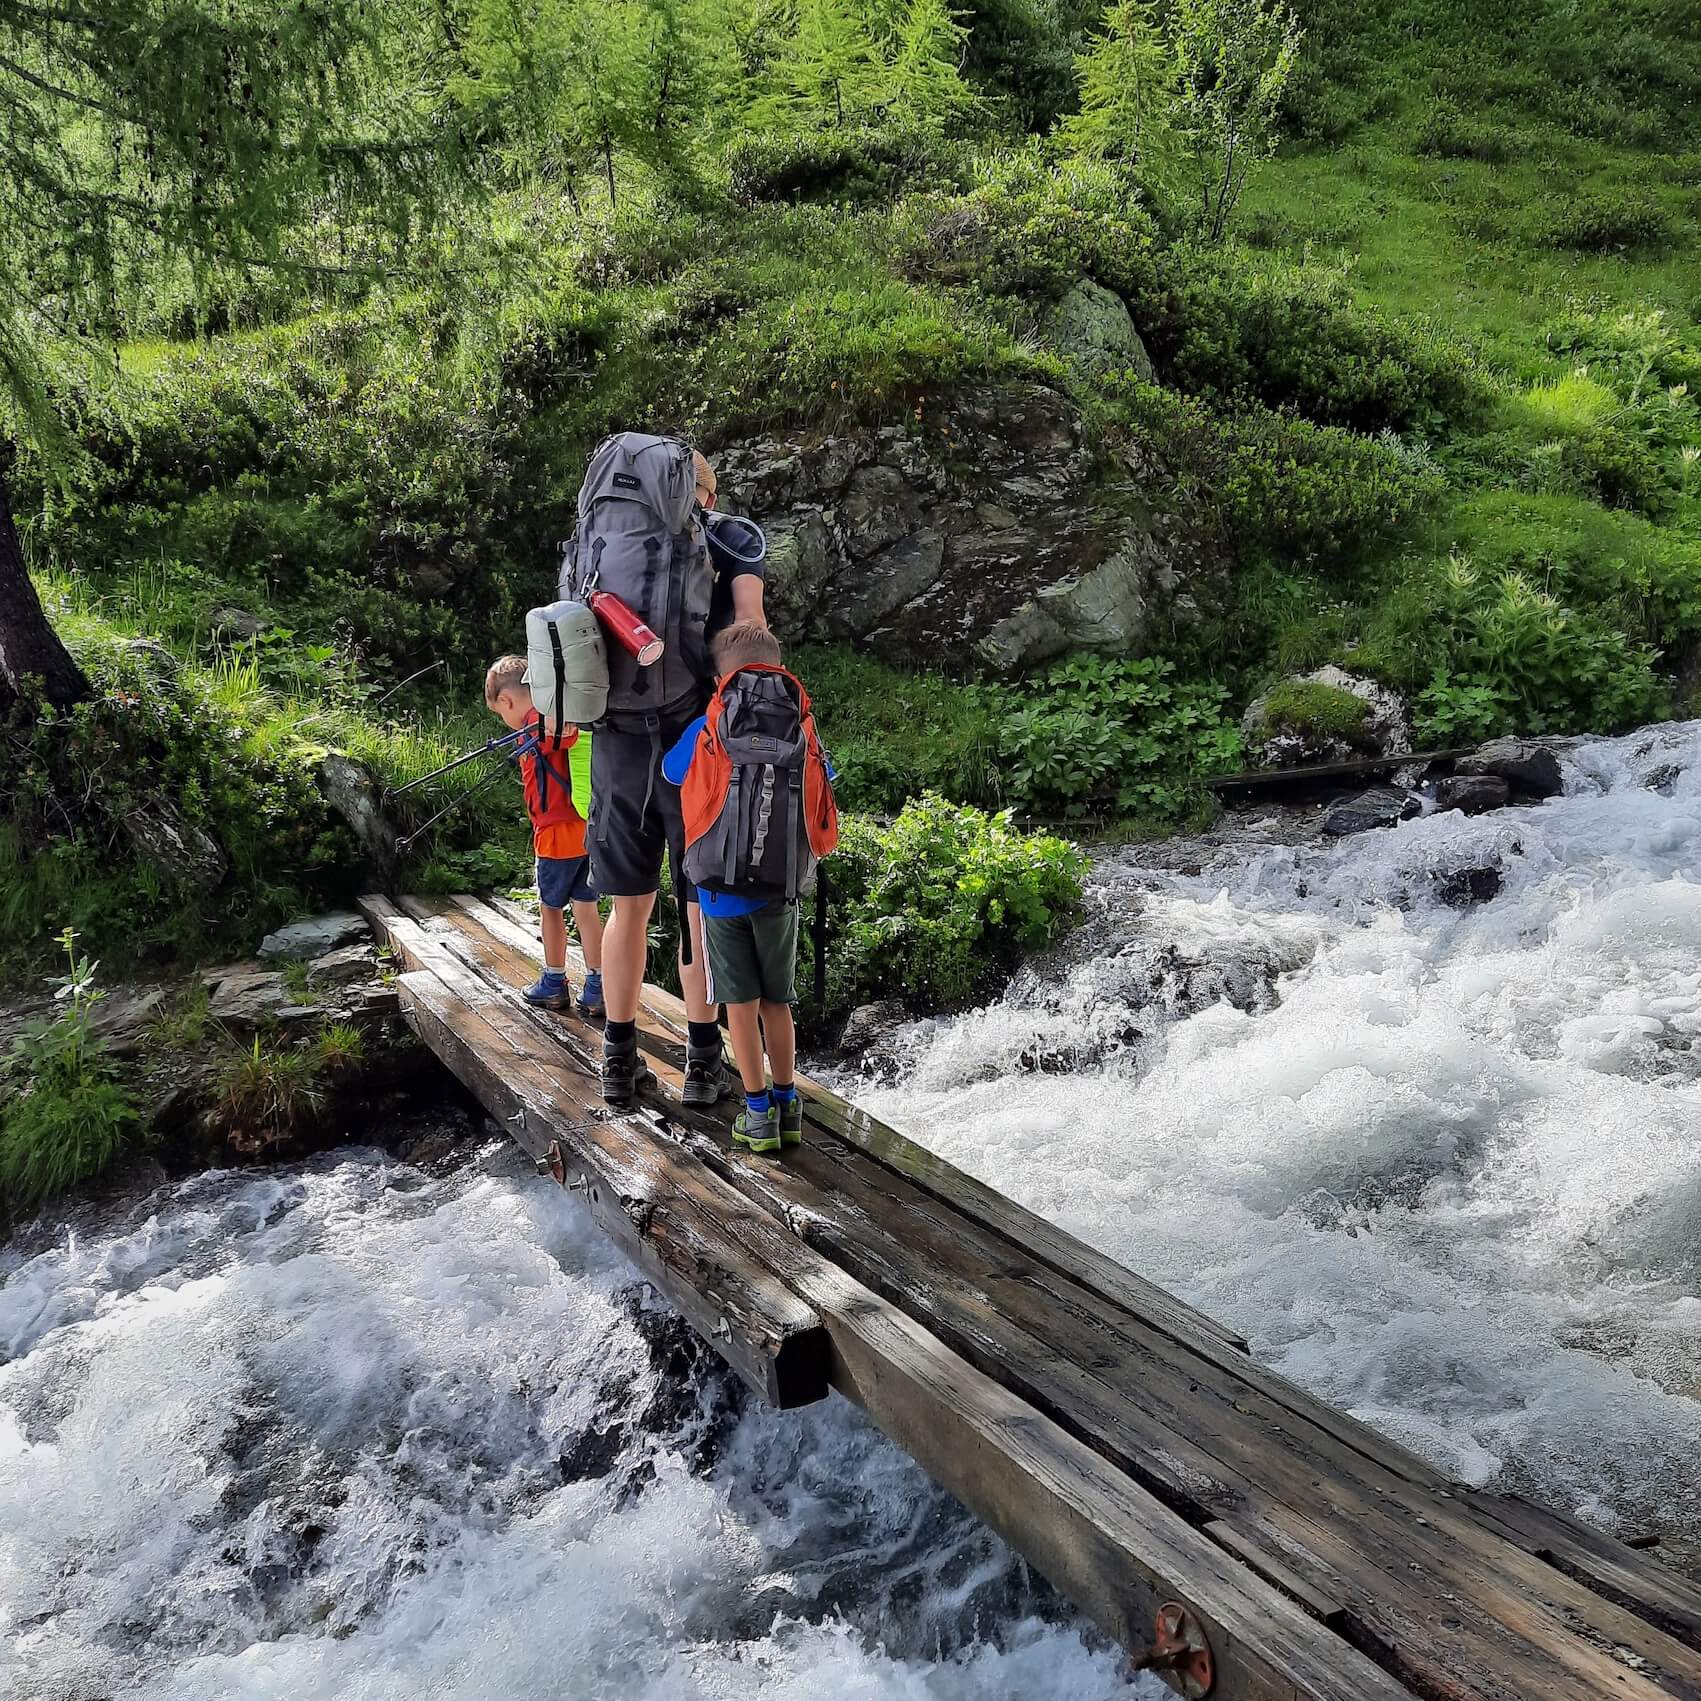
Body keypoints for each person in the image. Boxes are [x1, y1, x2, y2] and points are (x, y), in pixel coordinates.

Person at [566, 440, 767, 1108]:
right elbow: (751, 632)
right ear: (700, 494)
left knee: (628, 906)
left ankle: (618, 1066)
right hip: (694, 744)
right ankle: (703, 1065)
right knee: (696, 908)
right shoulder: (730, 537)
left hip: (615, 746)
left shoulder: (596, 540)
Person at [662, 621, 825, 1155]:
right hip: (780, 890)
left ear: (720, 676)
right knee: (778, 1002)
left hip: (718, 896)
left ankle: (756, 1115)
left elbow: (671, 771)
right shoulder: (799, 721)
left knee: (739, 1003)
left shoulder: (711, 719)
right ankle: (788, 1105)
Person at [484, 655, 605, 1018]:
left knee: (550, 908)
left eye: (500, 713)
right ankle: (597, 985)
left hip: (554, 833)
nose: (505, 721)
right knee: (587, 908)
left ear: (506, 701)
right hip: (587, 826)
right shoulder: (563, 715)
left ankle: (554, 982)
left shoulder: (535, 725)